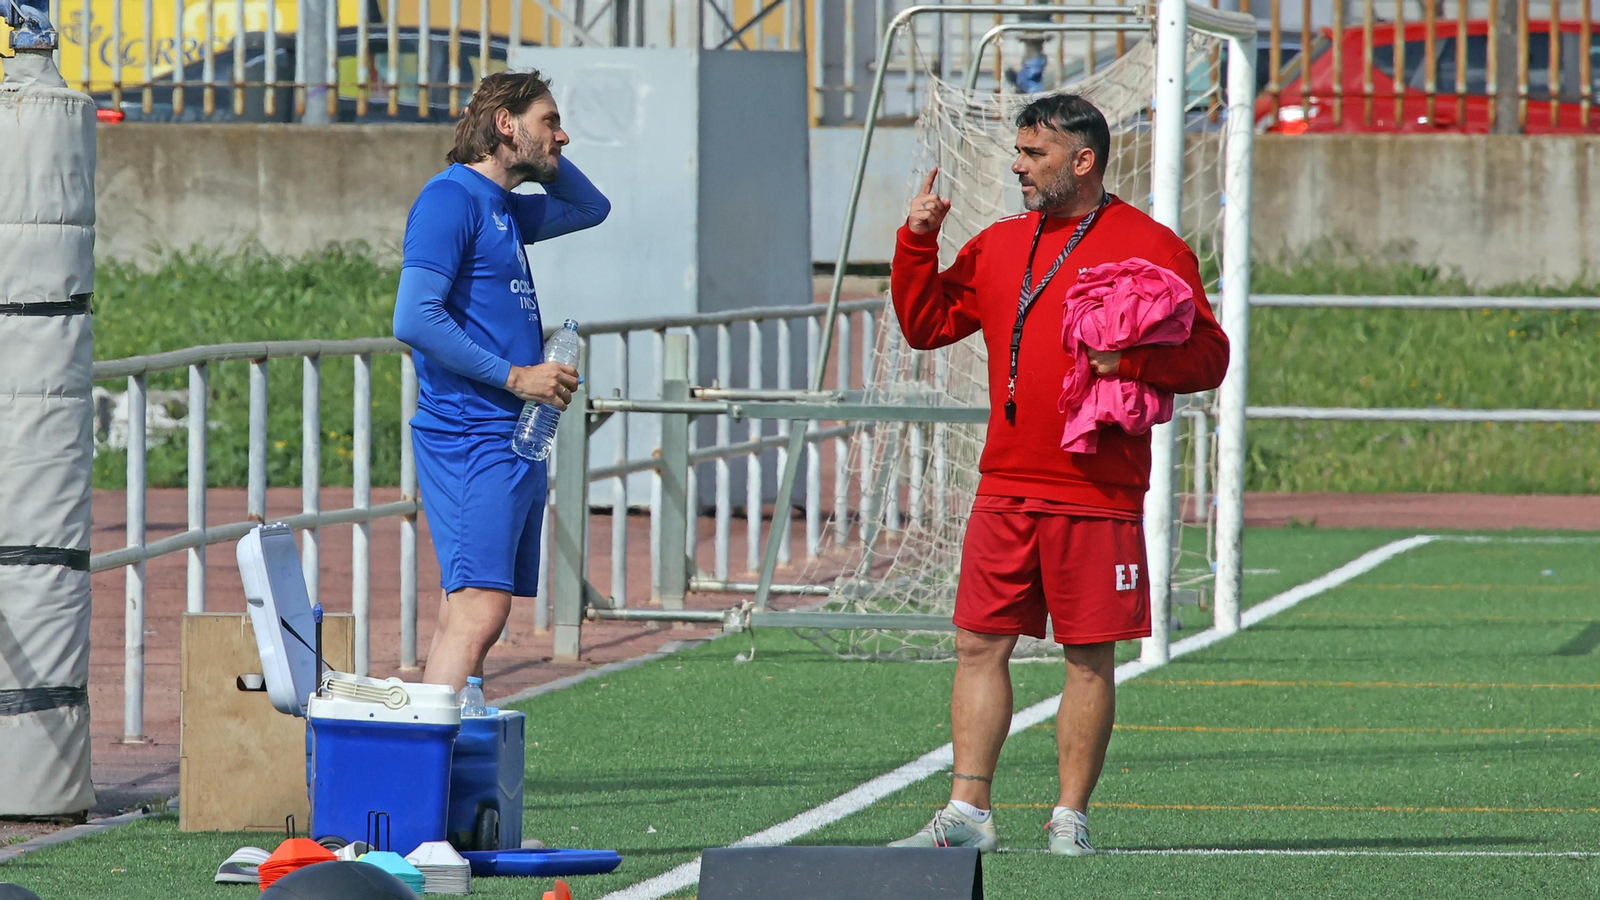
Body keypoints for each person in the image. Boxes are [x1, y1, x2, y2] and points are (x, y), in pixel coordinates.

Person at [886, 94, 1228, 856]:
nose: (1017, 166)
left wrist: (1131, 362)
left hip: (1097, 490)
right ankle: (968, 814)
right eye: (1018, 151)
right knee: (978, 644)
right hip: (1005, 485)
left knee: (1088, 654)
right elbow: (927, 324)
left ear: (1084, 160)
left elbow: (1211, 358)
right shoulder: (1002, 242)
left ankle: (1069, 818)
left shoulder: (1152, 246)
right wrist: (917, 242)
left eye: (1034, 154)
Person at [392, 70, 610, 692]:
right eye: (549, 121)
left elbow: (592, 207)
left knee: (467, 612)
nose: (562, 135)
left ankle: (447, 767)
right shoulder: (449, 199)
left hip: (511, 437)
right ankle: (426, 770)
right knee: (480, 610)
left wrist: (543, 155)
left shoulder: (504, 206)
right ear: (505, 125)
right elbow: (414, 318)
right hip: (469, 434)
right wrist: (517, 376)